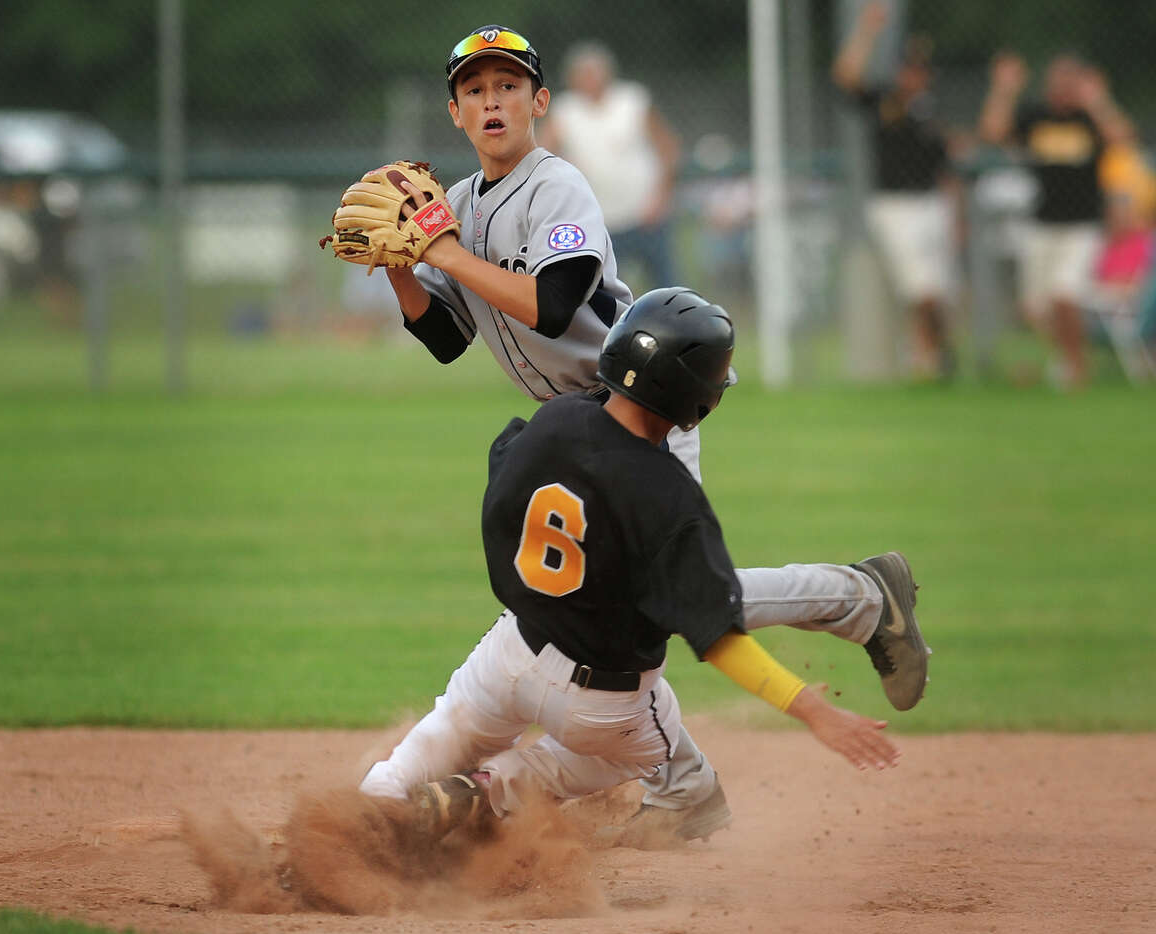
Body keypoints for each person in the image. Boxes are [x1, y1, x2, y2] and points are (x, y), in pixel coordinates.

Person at [354, 24, 928, 845]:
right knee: (613, 601)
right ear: (454, 111)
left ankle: (857, 598)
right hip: (567, 426)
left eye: (509, 86)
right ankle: (692, 778)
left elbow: (553, 304)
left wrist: (440, 246)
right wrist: (405, 270)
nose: (493, 101)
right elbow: (448, 337)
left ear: (539, 103)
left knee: (662, 590)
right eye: (476, 90)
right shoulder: (464, 205)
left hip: (635, 404)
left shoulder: (558, 189)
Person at [359, 288, 917, 839]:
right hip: (599, 702)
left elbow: (504, 473)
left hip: (507, 657)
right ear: (700, 401)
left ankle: (359, 825)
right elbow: (719, 637)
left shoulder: (555, 422)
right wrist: (811, 711)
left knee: (423, 752)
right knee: (650, 748)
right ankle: (486, 791)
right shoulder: (670, 500)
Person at [980, 53, 1134, 387]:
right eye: (1057, 81)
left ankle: (1076, 370)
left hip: (1082, 224)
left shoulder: (1088, 118)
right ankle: (1067, 358)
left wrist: (1099, 100)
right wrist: (1004, 90)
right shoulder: (1036, 116)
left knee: (1066, 294)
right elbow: (992, 132)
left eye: (1070, 82)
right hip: (1042, 221)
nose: (1063, 89)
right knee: (1035, 308)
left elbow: (1123, 138)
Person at [832, 1, 956, 379]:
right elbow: (845, 76)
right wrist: (867, 31)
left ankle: (931, 357)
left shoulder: (931, 112)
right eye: (909, 68)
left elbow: (945, 166)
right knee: (921, 288)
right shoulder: (885, 100)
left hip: (932, 203)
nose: (914, 76)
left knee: (935, 288)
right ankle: (930, 356)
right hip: (895, 203)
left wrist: (956, 213)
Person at [540, 40, 681, 289]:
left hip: (645, 214)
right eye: (583, 74)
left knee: (667, 286)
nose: (590, 79)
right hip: (598, 220)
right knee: (606, 292)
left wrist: (661, 198)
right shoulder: (565, 111)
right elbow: (541, 154)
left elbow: (668, 149)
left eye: (594, 72)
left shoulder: (632, 101)